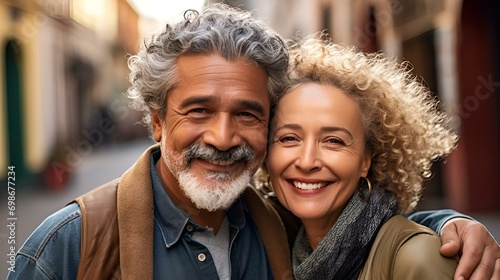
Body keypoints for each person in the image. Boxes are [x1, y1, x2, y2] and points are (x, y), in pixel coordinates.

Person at [7, 3, 499, 280]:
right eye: (198, 110)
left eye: (247, 114)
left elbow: (369, 229)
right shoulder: (71, 245)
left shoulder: (273, 222)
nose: (222, 138)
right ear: (156, 121)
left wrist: (447, 224)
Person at [259, 34, 500, 279]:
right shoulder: (279, 241)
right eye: (289, 138)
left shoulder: (417, 257)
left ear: (366, 160)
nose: (307, 161)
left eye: (334, 141)